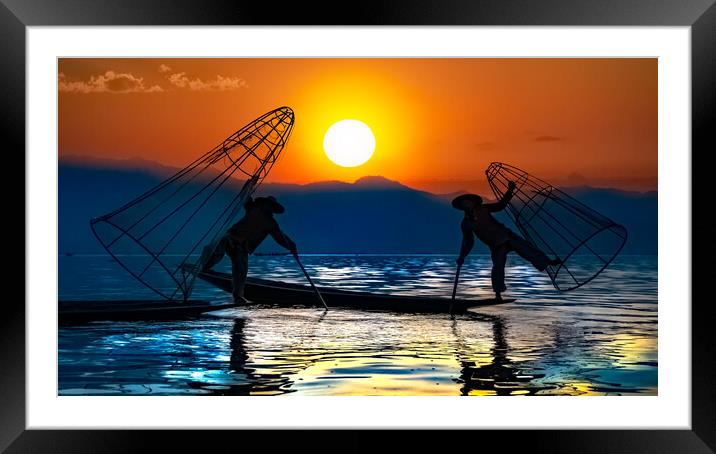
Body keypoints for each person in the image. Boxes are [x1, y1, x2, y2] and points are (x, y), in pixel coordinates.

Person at [452, 181, 561, 301]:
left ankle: (547, 262)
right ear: (462, 207)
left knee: (526, 248)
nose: (467, 204)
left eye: (468, 201)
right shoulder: (466, 223)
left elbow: (501, 205)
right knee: (498, 267)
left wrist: (510, 190)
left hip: (507, 235)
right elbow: (468, 241)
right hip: (496, 245)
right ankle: (498, 294)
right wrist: (462, 256)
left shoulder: (484, 209)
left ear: (473, 202)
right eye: (464, 203)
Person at [201, 196, 297, 304]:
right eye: (265, 204)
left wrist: (292, 246)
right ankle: (204, 266)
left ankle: (238, 296)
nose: (265, 206)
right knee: (215, 249)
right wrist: (248, 190)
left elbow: (281, 238)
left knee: (240, 272)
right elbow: (246, 199)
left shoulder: (271, 223)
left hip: (242, 247)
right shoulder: (253, 208)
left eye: (269, 205)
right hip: (231, 237)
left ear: (272, 208)